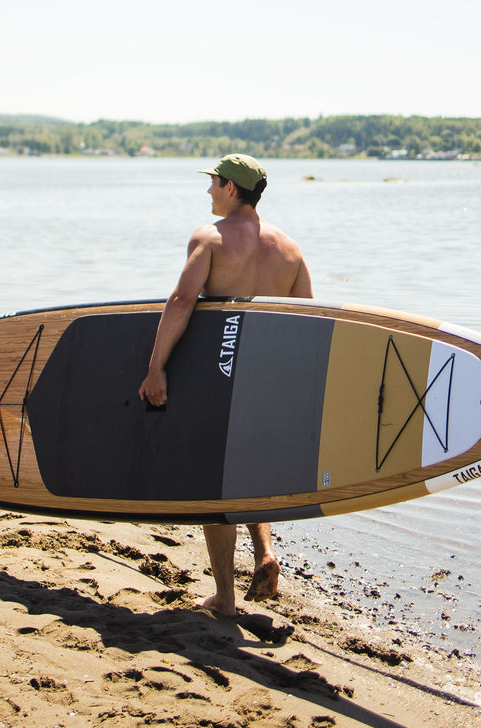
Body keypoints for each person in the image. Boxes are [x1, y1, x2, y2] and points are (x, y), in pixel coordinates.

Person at [138, 154, 312, 618]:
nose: (208, 191)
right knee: (248, 472)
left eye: (213, 182)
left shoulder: (210, 238)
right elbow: (307, 323)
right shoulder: (292, 251)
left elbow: (181, 301)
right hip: (268, 382)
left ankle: (226, 599)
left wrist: (156, 368)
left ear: (231, 188)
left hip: (220, 379)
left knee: (213, 488)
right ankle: (265, 553)